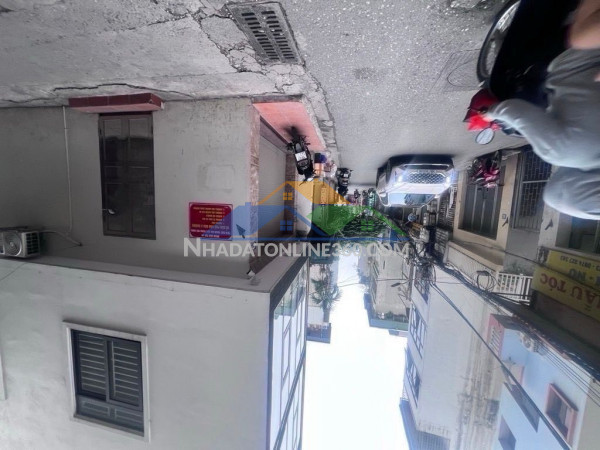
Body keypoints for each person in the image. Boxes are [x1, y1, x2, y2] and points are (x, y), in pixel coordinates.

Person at [486, 0, 600, 219]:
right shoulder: (561, 153)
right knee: (516, 72)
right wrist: (490, 113)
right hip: (574, 53)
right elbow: (514, 110)